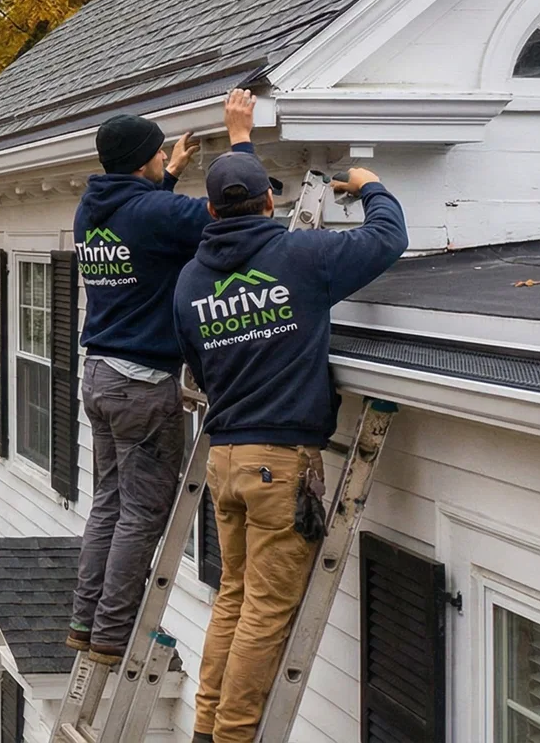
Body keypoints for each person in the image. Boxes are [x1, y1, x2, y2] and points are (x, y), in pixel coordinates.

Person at [172, 154, 407, 743]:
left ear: (210, 210)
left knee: (234, 595)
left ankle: (208, 725)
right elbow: (387, 239)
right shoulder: (301, 257)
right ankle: (234, 735)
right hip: (279, 464)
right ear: (268, 204)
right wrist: (368, 184)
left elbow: (199, 367)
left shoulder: (190, 281)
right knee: (267, 609)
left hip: (223, 460)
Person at [67, 88, 258, 663]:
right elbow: (237, 204)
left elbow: (144, 223)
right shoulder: (154, 211)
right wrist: (241, 139)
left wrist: (169, 174)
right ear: (144, 158)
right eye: (158, 154)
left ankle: (85, 622)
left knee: (108, 503)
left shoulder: (91, 209)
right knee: (144, 511)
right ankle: (113, 635)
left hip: (98, 375)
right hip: (141, 385)